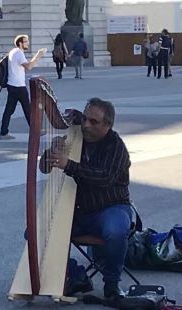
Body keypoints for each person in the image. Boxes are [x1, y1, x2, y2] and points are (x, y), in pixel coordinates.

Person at [41, 98, 132, 299]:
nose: (86, 125)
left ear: (108, 125)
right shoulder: (75, 137)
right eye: (85, 119)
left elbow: (104, 178)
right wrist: (53, 152)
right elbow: (43, 168)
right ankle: (76, 275)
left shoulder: (116, 147)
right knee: (35, 233)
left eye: (94, 122)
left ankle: (112, 283)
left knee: (115, 230)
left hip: (111, 207)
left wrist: (69, 165)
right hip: (79, 211)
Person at [0, 35, 45, 140]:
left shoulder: (13, 52)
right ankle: (36, 131)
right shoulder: (19, 53)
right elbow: (29, 67)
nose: (28, 43)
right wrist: (38, 56)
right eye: (26, 41)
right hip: (19, 86)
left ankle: (3, 132)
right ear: (20, 43)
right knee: (28, 109)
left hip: (12, 85)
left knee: (9, 110)